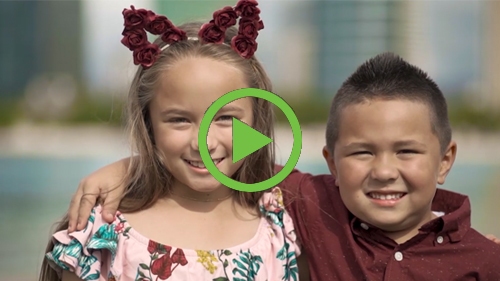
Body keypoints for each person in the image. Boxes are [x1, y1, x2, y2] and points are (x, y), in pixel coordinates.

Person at [65, 52, 500, 280]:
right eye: (362, 153)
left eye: (406, 152)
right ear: (331, 162)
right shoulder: (306, 205)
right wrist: (132, 166)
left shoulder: (484, 258)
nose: (384, 170)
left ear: (445, 161)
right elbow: (224, 157)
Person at [39, 2, 304, 281]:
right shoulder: (103, 233)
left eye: (226, 118)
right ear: (148, 123)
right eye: (179, 120)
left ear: (256, 119)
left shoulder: (281, 227)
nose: (204, 142)